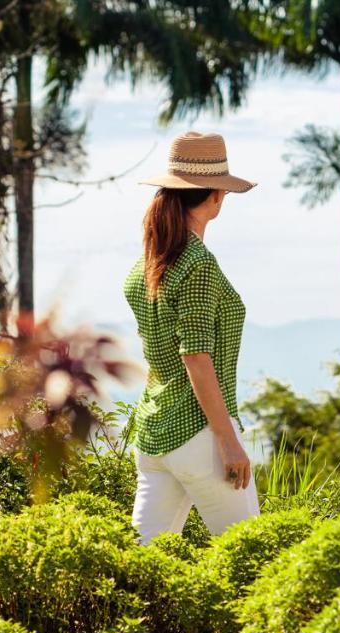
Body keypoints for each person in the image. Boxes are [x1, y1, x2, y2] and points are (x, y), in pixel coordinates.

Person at [124, 131, 259, 543]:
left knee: (145, 568)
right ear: (217, 195)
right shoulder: (196, 262)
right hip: (200, 436)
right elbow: (195, 357)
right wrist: (229, 442)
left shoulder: (150, 260)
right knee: (252, 557)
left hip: (155, 436)